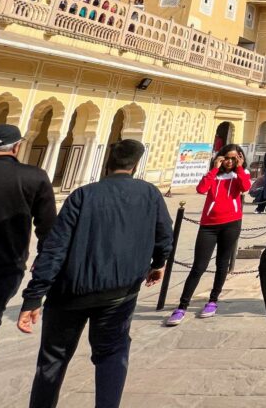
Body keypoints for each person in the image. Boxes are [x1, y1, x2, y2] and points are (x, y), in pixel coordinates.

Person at [18, 139, 172, 408]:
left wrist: (34, 297)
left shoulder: (83, 195)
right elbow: (164, 236)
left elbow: (54, 248)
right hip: (120, 293)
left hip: (70, 294)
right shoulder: (149, 193)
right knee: (113, 353)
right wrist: (158, 264)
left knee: (53, 359)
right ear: (136, 165)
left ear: (107, 162)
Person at [0, 124, 56, 363]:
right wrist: (42, 273)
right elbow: (48, 231)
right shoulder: (33, 176)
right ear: (17, 146)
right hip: (4, 269)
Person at [165, 144, 251, 325]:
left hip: (231, 224)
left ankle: (213, 300)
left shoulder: (239, 175)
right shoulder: (213, 175)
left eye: (233, 159)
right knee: (199, 266)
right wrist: (214, 169)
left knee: (222, 264)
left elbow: (245, 188)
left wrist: (241, 168)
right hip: (209, 225)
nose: (229, 162)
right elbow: (201, 189)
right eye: (226, 157)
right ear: (220, 157)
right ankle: (182, 306)